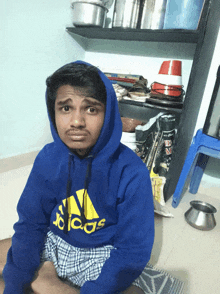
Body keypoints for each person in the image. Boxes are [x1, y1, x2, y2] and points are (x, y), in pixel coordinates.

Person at [2, 61, 154, 293]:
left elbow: (132, 249)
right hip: (54, 240)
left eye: (91, 109)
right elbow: (31, 223)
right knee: (13, 255)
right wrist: (15, 283)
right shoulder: (48, 158)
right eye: (65, 108)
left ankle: (48, 281)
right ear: (53, 112)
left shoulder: (132, 172)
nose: (76, 122)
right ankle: (45, 277)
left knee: (135, 290)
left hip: (100, 253)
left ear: (109, 113)